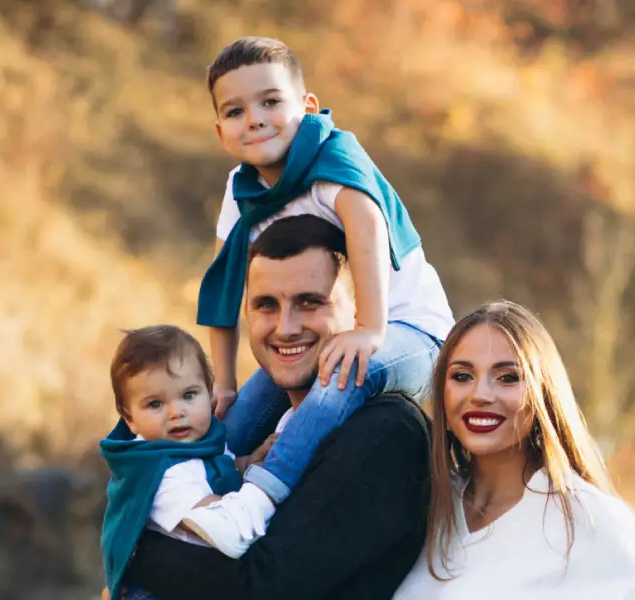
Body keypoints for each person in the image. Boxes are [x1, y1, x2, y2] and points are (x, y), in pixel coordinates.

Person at [193, 36, 454, 557]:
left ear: (306, 108)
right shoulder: (241, 188)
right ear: (221, 130)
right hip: (323, 334)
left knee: (341, 375)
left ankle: (256, 504)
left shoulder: (334, 156)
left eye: (271, 102)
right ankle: (188, 511)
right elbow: (225, 281)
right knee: (235, 419)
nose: (256, 119)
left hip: (408, 330)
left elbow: (367, 225)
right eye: (237, 110)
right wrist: (222, 383)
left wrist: (371, 329)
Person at [123, 215, 432, 600]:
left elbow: (262, 587)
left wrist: (132, 551)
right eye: (266, 305)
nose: (285, 328)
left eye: (310, 302)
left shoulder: (384, 432)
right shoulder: (274, 425)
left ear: (359, 313)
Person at [393, 301, 635, 599]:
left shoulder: (589, 519)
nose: (480, 394)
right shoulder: (425, 508)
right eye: (462, 376)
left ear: (543, 393)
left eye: (508, 377)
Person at [98, 325, 243, 600]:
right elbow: (217, 515)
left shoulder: (201, 441)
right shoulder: (161, 472)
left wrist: (247, 462)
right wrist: (266, 486)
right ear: (129, 418)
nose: (177, 412)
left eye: (189, 395)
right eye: (155, 404)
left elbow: (215, 470)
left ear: (209, 392)